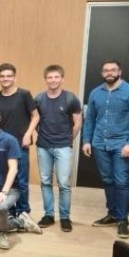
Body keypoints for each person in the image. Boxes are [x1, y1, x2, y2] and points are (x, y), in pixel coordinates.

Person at [82, 59, 129, 239]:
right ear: (102, 73)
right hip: (99, 144)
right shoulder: (95, 93)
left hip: (122, 145)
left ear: (120, 71)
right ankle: (112, 214)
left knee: (122, 181)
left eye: (113, 70)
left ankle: (123, 219)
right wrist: (86, 140)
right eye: (106, 70)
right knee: (107, 179)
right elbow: (90, 119)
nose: (109, 72)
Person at [0, 106, 41, 250]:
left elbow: (13, 168)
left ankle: (2, 234)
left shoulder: (9, 140)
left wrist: (4, 192)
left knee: (0, 206)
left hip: (10, 189)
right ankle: (21, 222)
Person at [34, 65, 83, 232]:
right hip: (43, 147)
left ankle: (65, 217)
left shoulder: (71, 99)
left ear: (62, 79)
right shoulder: (39, 99)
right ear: (45, 79)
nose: (53, 80)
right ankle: (48, 215)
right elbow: (35, 121)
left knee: (64, 184)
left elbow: (77, 123)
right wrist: (42, 136)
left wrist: (68, 140)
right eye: (50, 77)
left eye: (56, 77)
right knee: (45, 182)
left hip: (63, 147)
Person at [0, 63, 39, 224]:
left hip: (20, 144)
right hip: (1, 147)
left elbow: (35, 116)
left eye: (9, 76)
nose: (6, 79)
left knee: (21, 181)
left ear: (14, 78)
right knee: (6, 180)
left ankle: (23, 212)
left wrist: (28, 134)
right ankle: (10, 211)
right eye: (2, 76)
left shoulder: (24, 95)